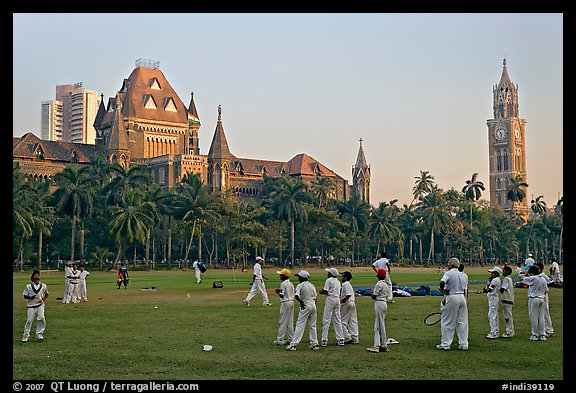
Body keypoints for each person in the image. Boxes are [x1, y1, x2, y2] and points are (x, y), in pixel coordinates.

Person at [437, 257, 468, 351]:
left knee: (447, 321)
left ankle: (445, 344)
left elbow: (442, 282)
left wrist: (443, 290)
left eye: (448, 263)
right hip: (462, 297)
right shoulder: (464, 275)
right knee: (462, 322)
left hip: (452, 296)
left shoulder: (449, 273)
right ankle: (464, 343)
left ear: (451, 264)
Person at [286, 270, 319, 351]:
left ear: (301, 277)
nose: (298, 278)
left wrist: (301, 302)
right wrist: (314, 305)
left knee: (300, 324)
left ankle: (293, 344)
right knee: (313, 325)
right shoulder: (312, 285)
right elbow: (316, 297)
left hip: (306, 305)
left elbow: (296, 296)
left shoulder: (300, 285)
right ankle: (315, 344)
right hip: (313, 305)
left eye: (299, 277)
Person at [319, 267, 345, 347]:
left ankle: (324, 339)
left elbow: (326, 291)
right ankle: (340, 339)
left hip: (330, 299)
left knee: (326, 319)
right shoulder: (337, 281)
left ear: (331, 274)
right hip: (337, 299)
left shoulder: (328, 280)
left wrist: (321, 291)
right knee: (337, 319)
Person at [22, 269, 49, 342]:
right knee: (29, 320)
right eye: (35, 275)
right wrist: (31, 297)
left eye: (38, 275)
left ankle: (39, 334)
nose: (37, 277)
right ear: (33, 277)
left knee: (42, 318)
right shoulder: (28, 286)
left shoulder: (43, 285)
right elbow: (24, 295)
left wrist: (43, 300)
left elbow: (46, 294)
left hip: (40, 305)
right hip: (31, 306)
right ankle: (25, 335)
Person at [523, 264, 548, 341]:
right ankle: (542, 335)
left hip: (534, 298)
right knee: (541, 317)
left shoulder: (533, 278)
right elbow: (546, 290)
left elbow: (523, 278)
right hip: (542, 298)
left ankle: (535, 334)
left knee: (533, 317)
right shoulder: (543, 279)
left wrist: (527, 271)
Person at [367, 268, 390, 353]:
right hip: (384, 303)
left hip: (379, 303)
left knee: (378, 325)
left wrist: (371, 292)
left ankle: (377, 345)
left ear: (378, 276)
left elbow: (374, 296)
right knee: (381, 324)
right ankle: (383, 345)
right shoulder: (386, 285)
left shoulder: (379, 284)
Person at [273, 268, 294, 345]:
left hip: (285, 302)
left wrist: (278, 292)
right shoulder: (291, 284)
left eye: (281, 275)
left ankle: (280, 339)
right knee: (289, 321)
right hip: (291, 302)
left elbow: (282, 295)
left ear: (285, 276)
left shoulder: (283, 284)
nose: (280, 276)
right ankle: (291, 338)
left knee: (282, 321)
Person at [340, 271, 359, 344]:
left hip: (347, 303)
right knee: (352, 321)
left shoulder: (345, 284)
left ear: (346, 277)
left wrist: (342, 301)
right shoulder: (349, 285)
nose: (341, 278)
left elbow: (348, 295)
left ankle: (347, 336)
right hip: (352, 303)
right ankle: (355, 337)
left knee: (342, 320)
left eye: (343, 276)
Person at [535, 262, 554, 337]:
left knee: (546, 312)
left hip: (543, 294)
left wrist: (544, 287)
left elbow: (551, 282)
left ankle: (549, 329)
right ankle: (544, 329)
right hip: (539, 295)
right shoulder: (537, 276)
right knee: (541, 313)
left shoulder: (543, 275)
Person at [483, 266, 502, 339]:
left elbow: (489, 290)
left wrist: (487, 286)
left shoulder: (495, 280)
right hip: (493, 297)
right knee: (493, 314)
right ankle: (495, 331)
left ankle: (494, 332)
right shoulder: (496, 279)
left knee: (492, 315)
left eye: (492, 273)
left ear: (496, 273)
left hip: (493, 297)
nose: (491, 274)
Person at [500, 265, 515, 338]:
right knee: (508, 315)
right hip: (508, 299)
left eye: (504, 271)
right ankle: (509, 330)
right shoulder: (509, 279)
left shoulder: (506, 279)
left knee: (507, 316)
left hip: (507, 299)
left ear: (508, 271)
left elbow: (502, 289)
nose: (503, 272)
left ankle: (510, 331)